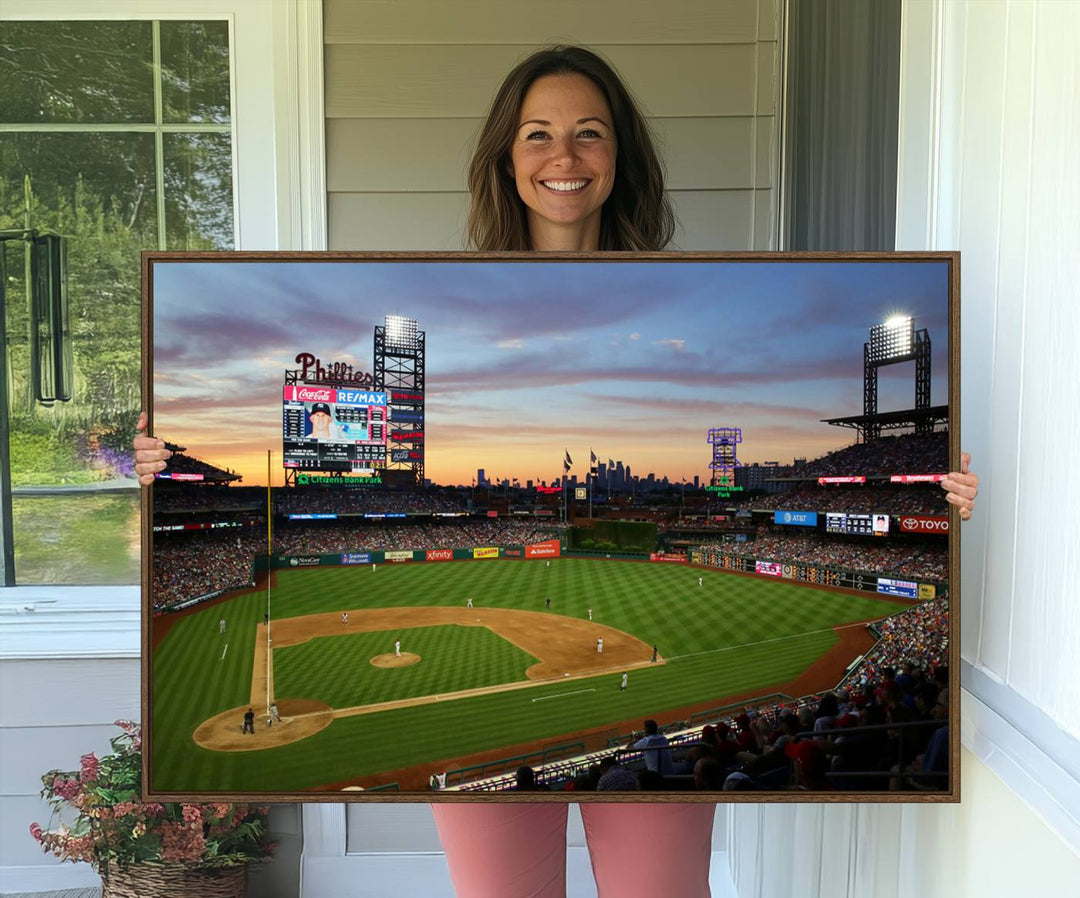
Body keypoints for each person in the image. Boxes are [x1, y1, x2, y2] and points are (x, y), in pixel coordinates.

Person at [133, 43, 980, 898]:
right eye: (537, 134)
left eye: (589, 133)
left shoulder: (687, 285)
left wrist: (946, 494)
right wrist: (153, 468)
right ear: (506, 156)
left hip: (660, 759)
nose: (563, 157)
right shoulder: (452, 284)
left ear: (621, 157)